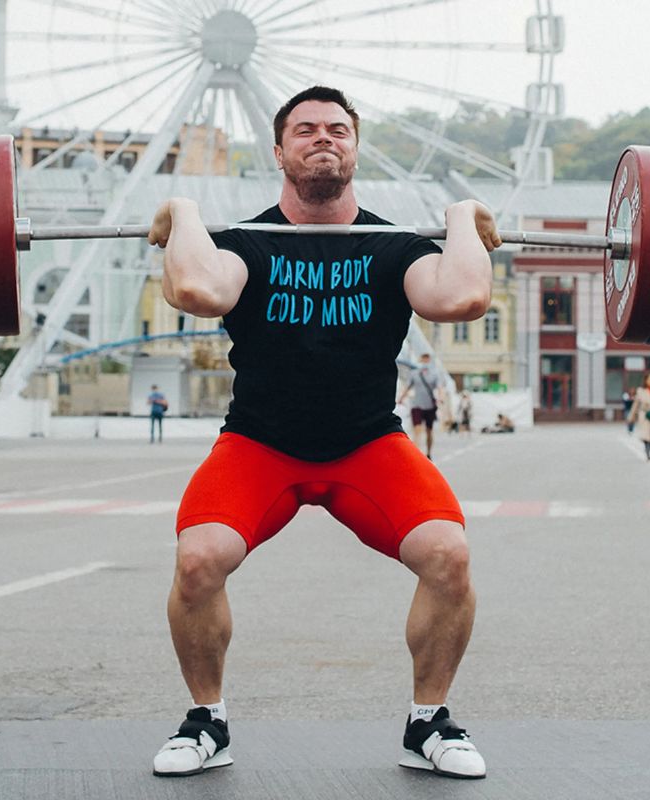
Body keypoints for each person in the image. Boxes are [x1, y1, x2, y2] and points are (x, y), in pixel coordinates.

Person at [145, 86, 498, 780]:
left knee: (449, 556)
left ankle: (429, 723)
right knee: (198, 561)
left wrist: (459, 218)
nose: (323, 138)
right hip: (260, 445)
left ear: (355, 148)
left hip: (367, 444)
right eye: (305, 130)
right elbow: (197, 291)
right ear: (279, 151)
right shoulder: (245, 244)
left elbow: (462, 297)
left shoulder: (395, 247)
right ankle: (206, 721)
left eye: (338, 129)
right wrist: (186, 213)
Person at [397, 352, 440, 459]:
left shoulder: (434, 374)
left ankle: (429, 453)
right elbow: (408, 387)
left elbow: (440, 388)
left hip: (429, 406)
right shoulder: (414, 373)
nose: (425, 362)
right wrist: (401, 398)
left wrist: (441, 397)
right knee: (417, 429)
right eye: (423, 359)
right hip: (416, 405)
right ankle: (416, 456)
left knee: (429, 431)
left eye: (427, 359)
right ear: (420, 360)